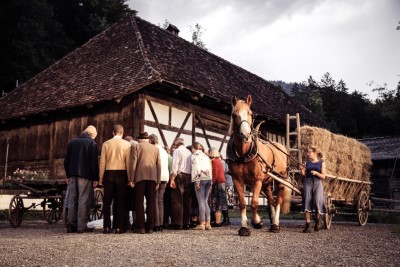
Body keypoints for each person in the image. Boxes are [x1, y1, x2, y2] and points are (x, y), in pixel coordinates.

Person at [64, 125, 99, 233]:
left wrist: (68, 175)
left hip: (73, 175)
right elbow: (94, 163)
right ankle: (81, 226)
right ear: (92, 135)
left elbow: (66, 161)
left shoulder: (72, 142)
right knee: (83, 200)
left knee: (72, 199)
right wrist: (96, 177)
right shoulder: (92, 143)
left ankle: (71, 225)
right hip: (85, 175)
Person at [99, 125, 131, 234]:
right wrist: (130, 177)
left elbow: (102, 162)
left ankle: (106, 227)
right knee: (120, 201)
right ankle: (119, 227)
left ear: (113, 133)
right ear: (122, 133)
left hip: (108, 172)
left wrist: (100, 177)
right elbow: (128, 163)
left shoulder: (106, 144)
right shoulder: (127, 144)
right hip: (122, 173)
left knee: (107, 201)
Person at [129, 132, 161, 234]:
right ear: (148, 139)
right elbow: (158, 165)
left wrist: (131, 179)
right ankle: (150, 228)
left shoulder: (136, 146)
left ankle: (141, 227)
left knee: (139, 203)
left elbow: (133, 163)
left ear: (139, 139)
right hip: (152, 178)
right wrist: (158, 180)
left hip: (140, 177)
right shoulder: (155, 148)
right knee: (151, 203)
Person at [300, 146, 326, 233]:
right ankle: (307, 225)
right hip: (308, 182)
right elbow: (303, 175)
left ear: (314, 153)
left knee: (317, 201)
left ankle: (317, 223)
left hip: (318, 183)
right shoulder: (307, 163)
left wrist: (316, 173)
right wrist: (302, 170)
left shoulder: (321, 163)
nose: (308, 154)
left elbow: (323, 176)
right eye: (308, 152)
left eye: (309, 152)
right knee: (307, 201)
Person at [170, 138, 192, 230]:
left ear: (176, 144)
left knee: (177, 200)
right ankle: (186, 222)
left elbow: (175, 165)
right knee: (187, 200)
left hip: (180, 176)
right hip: (189, 176)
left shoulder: (177, 151)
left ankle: (178, 223)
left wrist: (172, 178)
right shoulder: (189, 152)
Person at [149, 134, 169, 232]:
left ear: (150, 141)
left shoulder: (153, 150)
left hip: (157, 177)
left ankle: (156, 224)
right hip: (165, 177)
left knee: (155, 200)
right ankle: (160, 223)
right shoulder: (164, 151)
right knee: (160, 201)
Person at [191, 142, 212, 230]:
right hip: (208, 178)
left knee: (201, 202)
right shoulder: (206, 157)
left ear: (193, 148)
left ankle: (202, 223)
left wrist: (197, 181)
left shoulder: (195, 156)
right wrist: (211, 183)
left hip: (200, 178)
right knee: (205, 201)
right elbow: (210, 168)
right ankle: (208, 223)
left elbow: (197, 169)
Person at [209, 148, 228, 227]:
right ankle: (225, 219)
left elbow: (214, 173)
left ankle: (218, 221)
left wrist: (212, 182)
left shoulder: (214, 161)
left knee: (218, 201)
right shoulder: (219, 160)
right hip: (222, 182)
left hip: (218, 182)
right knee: (222, 200)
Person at [222, 159, 233, 225]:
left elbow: (222, 172)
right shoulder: (226, 164)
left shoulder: (223, 163)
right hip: (228, 184)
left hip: (227, 184)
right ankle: (226, 218)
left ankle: (226, 218)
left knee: (224, 201)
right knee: (225, 202)